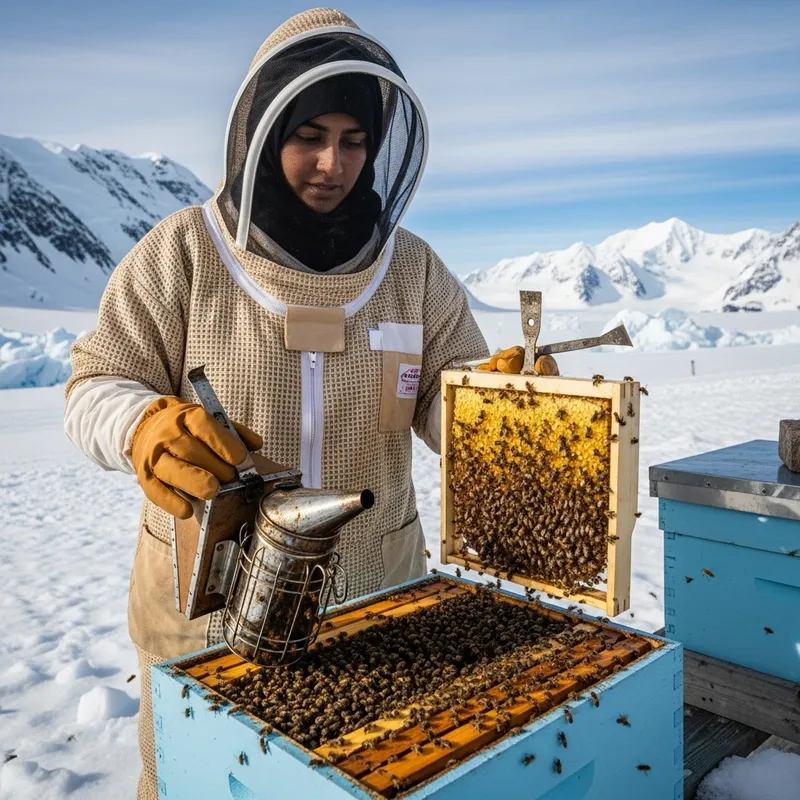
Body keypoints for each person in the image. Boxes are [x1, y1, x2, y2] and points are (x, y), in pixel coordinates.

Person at [63, 7, 488, 798]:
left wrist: (503, 407)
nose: (333, 162)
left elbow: (448, 393)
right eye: (308, 136)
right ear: (260, 132)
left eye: (355, 140)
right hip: (210, 610)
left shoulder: (412, 269)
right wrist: (143, 425)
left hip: (376, 602)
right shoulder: (185, 251)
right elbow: (96, 383)